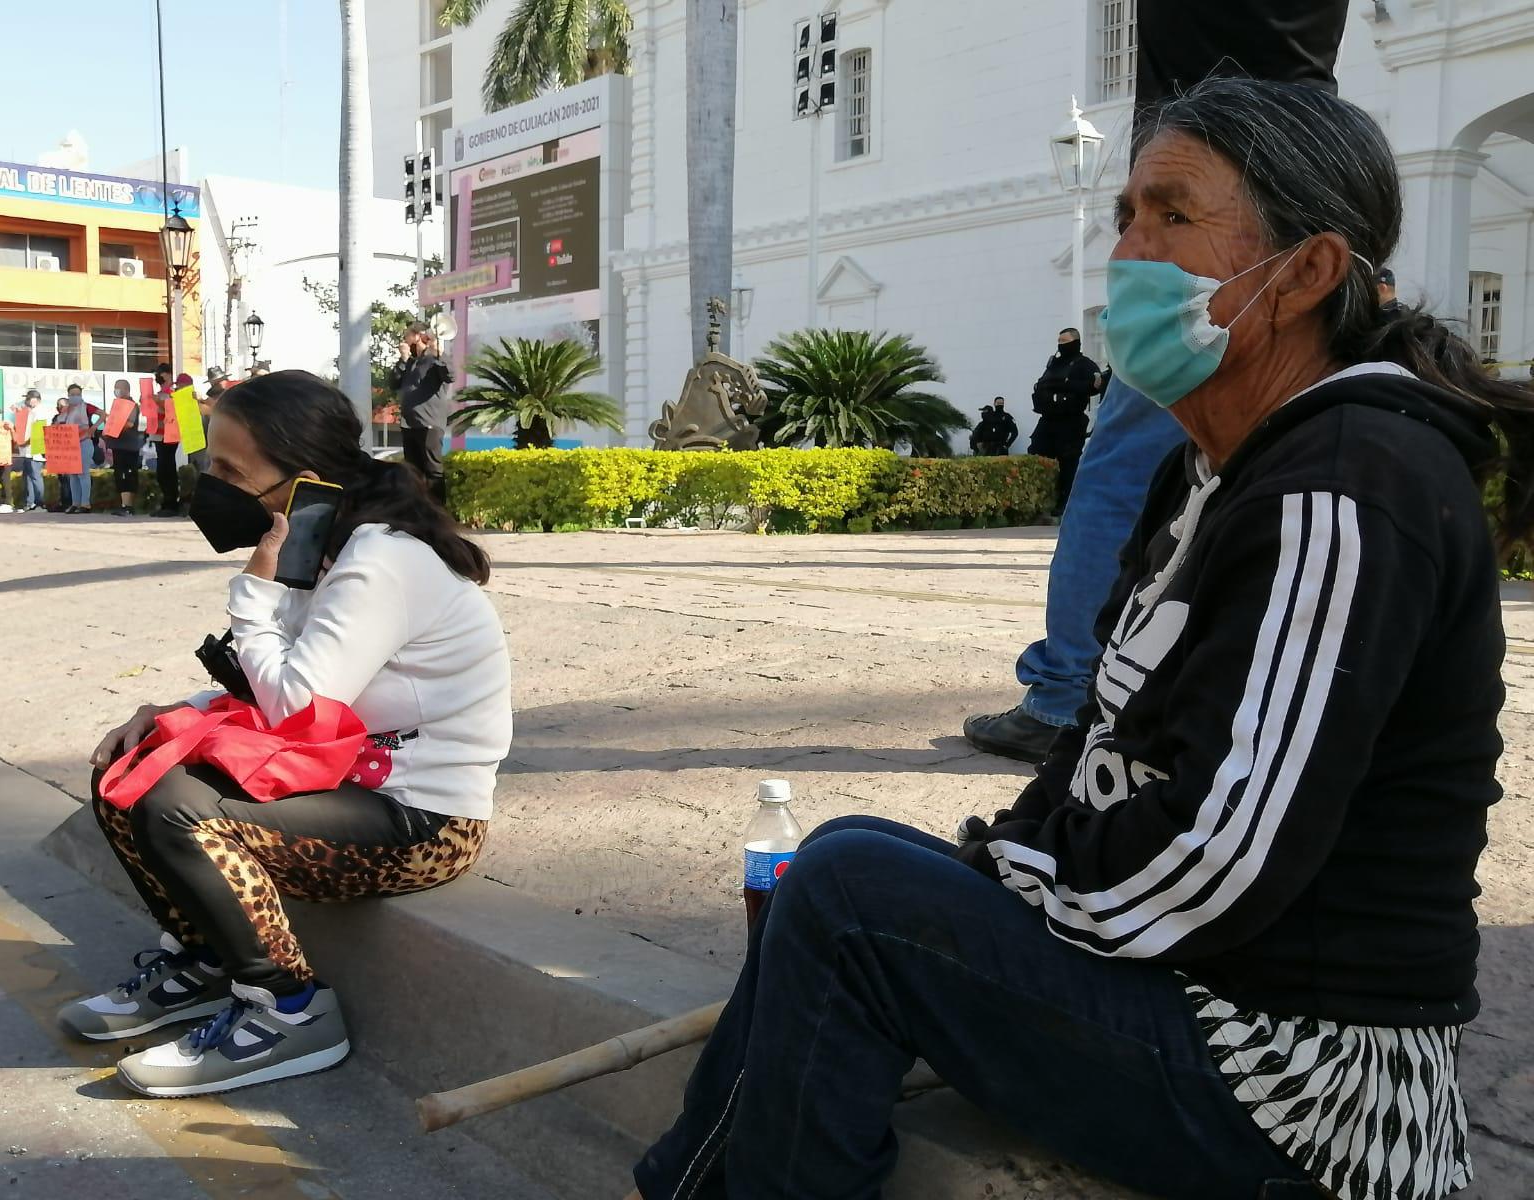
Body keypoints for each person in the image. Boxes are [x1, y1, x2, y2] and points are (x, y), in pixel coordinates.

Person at [629, 76, 1523, 1200]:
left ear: (1307, 271)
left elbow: (1225, 855)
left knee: (854, 895)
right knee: (857, 859)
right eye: (1126, 216)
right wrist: (1006, 858)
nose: (1131, 251)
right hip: (1200, 989)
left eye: (1173, 215)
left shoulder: (1345, 488)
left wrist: (1016, 882)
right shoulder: (1210, 471)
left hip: (1303, 1078)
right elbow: (1100, 742)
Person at [57, 370, 513, 1097]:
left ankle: (290, 1009)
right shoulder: (327, 544)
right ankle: (206, 963)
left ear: (302, 480)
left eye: (231, 472)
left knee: (176, 808)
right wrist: (173, 709)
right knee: (130, 765)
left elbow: (295, 706)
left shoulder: (381, 561)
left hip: (422, 820)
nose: (213, 483)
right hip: (338, 780)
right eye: (212, 465)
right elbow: (279, 682)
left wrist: (257, 588)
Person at [964, 0, 1349, 765]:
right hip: (1315, 180)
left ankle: (1066, 694)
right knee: (1318, 449)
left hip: (1211, 192)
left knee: (1122, 472)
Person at [1027, 329, 1099, 514]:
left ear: (1076, 342)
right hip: (1048, 421)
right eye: (1059, 340)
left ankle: (1066, 505)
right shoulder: (1053, 364)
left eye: (1064, 340)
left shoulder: (1084, 364)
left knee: (1068, 464)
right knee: (1035, 456)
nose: (1060, 344)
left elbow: (1095, 386)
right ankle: (1037, 503)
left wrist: (1066, 385)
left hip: (1071, 422)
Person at [393, 325, 453, 503]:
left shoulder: (434, 358)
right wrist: (403, 360)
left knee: (432, 471)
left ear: (418, 336)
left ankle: (438, 515)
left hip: (429, 424)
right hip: (409, 425)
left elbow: (450, 375)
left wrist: (439, 355)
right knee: (413, 473)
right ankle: (418, 513)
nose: (404, 342)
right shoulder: (410, 362)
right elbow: (394, 383)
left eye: (407, 337)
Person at [107, 378, 145, 516]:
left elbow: (129, 423)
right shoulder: (117, 405)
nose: (116, 391)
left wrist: (116, 426)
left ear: (126, 389)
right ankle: (123, 504)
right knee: (119, 474)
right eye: (115, 388)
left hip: (129, 445)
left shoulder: (131, 405)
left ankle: (128, 506)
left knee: (128, 474)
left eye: (119, 388)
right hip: (118, 445)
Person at [151, 363, 182, 516]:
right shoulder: (158, 393)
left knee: (167, 466)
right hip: (157, 433)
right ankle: (166, 501)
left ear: (168, 374)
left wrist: (157, 401)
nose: (158, 377)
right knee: (161, 469)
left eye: (161, 374)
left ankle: (172, 502)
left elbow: (171, 409)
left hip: (170, 434)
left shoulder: (174, 392)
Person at [12, 388, 47, 512]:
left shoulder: (41, 412)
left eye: (28, 398)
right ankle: (30, 502)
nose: (26, 401)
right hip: (26, 450)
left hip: (36, 450)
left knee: (36, 477)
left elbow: (38, 433)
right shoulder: (29, 412)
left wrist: (25, 442)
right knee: (27, 478)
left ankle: (40, 503)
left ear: (36, 400)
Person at [62, 387, 94, 514]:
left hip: (84, 442)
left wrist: (94, 428)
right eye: (72, 394)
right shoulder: (66, 410)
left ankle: (85, 504)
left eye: (78, 394)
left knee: (83, 473)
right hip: (71, 444)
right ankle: (75, 503)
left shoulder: (86, 407)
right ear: (68, 395)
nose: (75, 396)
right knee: (73, 474)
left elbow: (103, 414)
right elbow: (60, 423)